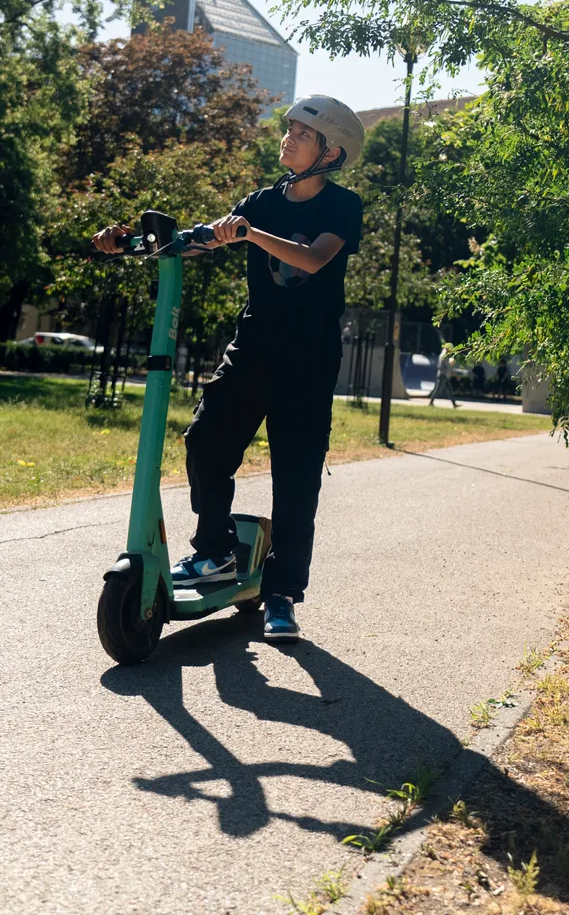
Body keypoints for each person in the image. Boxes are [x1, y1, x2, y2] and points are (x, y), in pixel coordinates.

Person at [92, 95, 365, 642]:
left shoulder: (342, 205)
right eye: (289, 129)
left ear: (330, 152)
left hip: (309, 358)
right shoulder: (261, 201)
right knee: (205, 441)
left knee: (296, 476)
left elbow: (313, 259)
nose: (288, 137)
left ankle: (281, 594)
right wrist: (134, 243)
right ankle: (215, 551)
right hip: (255, 346)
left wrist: (250, 234)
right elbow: (202, 239)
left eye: (302, 133)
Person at [428, 343, 460, 408]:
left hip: (445, 375)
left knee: (449, 390)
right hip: (443, 375)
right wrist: (451, 369)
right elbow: (445, 367)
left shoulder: (444, 355)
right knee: (438, 390)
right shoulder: (443, 356)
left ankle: (454, 404)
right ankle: (431, 402)